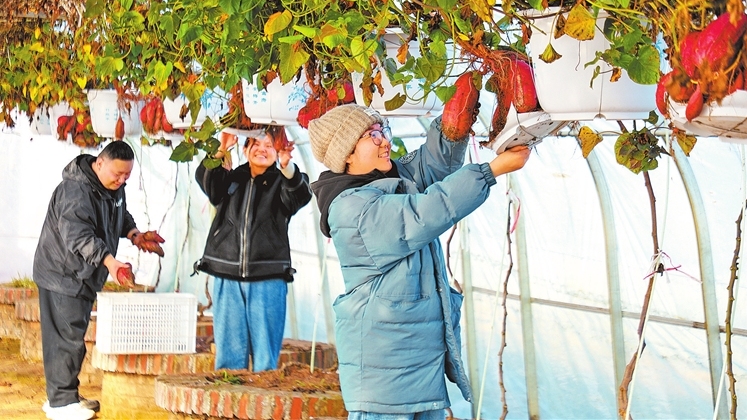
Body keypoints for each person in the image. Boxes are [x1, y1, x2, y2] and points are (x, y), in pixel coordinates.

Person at [307, 104, 531, 419]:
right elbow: (424, 213)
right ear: (347, 154)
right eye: (372, 135)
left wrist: (455, 116)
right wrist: (490, 170)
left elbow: (430, 165)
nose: (384, 140)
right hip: (385, 378)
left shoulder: (389, 179)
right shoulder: (350, 209)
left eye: (382, 130)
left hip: (418, 367)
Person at [33, 140, 165, 420]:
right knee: (65, 337)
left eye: (126, 176)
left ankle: (67, 396)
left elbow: (120, 214)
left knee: (73, 333)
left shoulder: (112, 187)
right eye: (117, 174)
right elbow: (78, 237)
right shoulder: (75, 191)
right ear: (99, 163)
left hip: (83, 275)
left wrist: (135, 235)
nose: (121, 180)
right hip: (62, 273)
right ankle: (60, 404)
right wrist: (111, 262)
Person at [194, 129, 313, 372]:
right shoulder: (230, 179)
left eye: (269, 145)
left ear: (277, 151)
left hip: (268, 277)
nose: (262, 149)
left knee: (265, 359)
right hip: (226, 273)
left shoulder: (283, 182)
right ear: (245, 149)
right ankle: (228, 403)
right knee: (228, 355)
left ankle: (263, 404)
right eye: (255, 144)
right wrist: (222, 147)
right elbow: (206, 180)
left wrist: (287, 166)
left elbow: (300, 195)